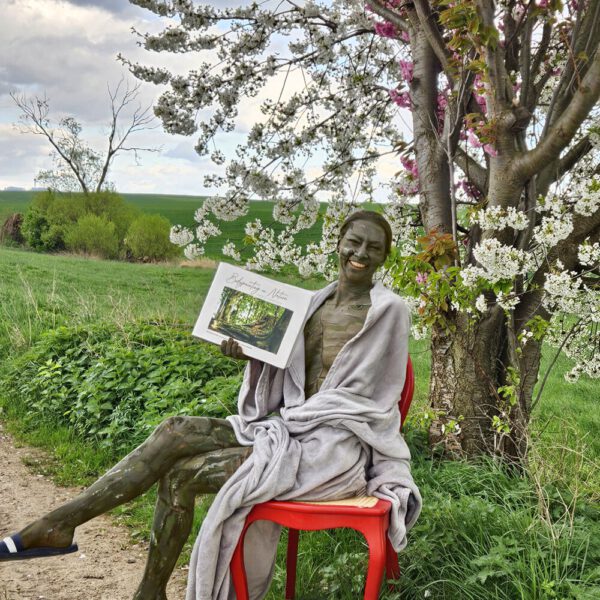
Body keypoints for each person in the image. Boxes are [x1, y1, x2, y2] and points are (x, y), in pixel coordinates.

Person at [1, 210, 421, 600]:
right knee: (175, 430)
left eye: (374, 247)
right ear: (338, 243)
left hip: (334, 448)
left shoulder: (388, 311)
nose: (361, 253)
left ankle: (145, 591)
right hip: (291, 428)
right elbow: (280, 381)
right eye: (354, 241)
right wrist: (252, 354)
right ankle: (61, 523)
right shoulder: (309, 305)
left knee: (184, 476)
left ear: (385, 257)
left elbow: (379, 398)